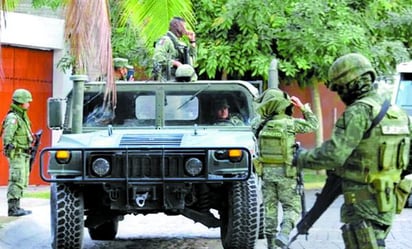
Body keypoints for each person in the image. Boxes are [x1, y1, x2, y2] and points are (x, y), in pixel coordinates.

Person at [294, 53, 412, 249]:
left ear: (352, 84)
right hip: (387, 201)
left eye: (339, 88)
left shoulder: (359, 112)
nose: (339, 94)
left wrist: (300, 158)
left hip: (362, 204)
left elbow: (333, 154)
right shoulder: (398, 113)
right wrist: (387, 174)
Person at [252, 88, 318, 249]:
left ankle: (271, 246)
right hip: (287, 174)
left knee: (270, 210)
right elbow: (313, 124)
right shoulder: (291, 124)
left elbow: (254, 127)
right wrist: (303, 107)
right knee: (292, 207)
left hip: (266, 175)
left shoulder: (259, 125)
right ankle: (284, 233)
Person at [1, 89, 34, 216]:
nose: (29, 104)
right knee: (16, 179)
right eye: (27, 101)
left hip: (23, 153)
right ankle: (13, 209)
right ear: (21, 102)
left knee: (22, 180)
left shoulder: (22, 117)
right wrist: (10, 149)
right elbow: (7, 136)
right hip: (17, 154)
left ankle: (17, 207)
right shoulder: (13, 118)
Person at [153, 16, 197, 81]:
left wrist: (192, 41)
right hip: (168, 82)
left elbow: (192, 62)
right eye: (184, 26)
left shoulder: (181, 44)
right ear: (177, 26)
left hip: (182, 80)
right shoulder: (165, 40)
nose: (186, 29)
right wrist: (176, 63)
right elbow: (158, 58)